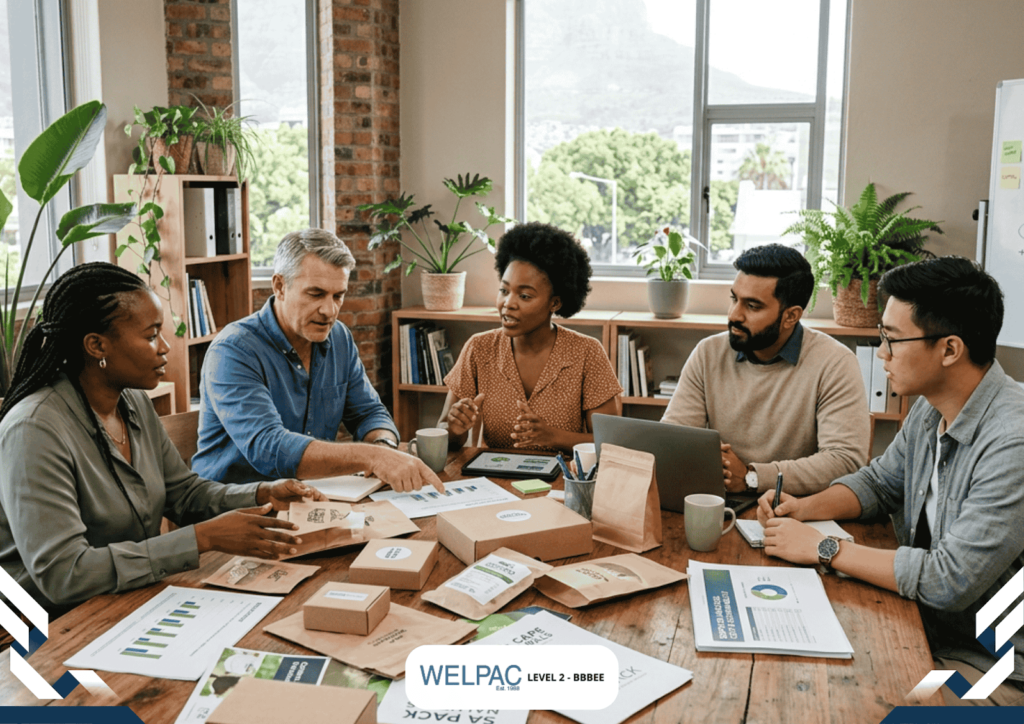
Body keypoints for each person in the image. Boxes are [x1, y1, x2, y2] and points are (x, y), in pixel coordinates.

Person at [758, 257, 1024, 706]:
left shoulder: (1011, 442)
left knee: (855, 707)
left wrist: (825, 548)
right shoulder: (931, 405)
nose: (881, 353)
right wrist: (804, 507)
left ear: (950, 349)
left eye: (892, 339)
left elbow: (948, 580)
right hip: (927, 628)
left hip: (997, 667)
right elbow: (881, 483)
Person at [0, 263, 322, 614]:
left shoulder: (131, 400)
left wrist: (263, 493)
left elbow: (183, 494)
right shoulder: (34, 429)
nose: (165, 347)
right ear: (96, 346)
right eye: (152, 335)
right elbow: (64, 575)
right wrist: (203, 538)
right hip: (43, 628)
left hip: (129, 598)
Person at [192, 229, 441, 492]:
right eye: (316, 294)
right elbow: (269, 448)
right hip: (235, 510)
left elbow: (369, 413)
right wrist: (373, 457)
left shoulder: (339, 337)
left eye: (338, 296)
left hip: (312, 498)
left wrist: (383, 447)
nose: (329, 311)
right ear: (279, 286)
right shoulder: (233, 350)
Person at [661, 243, 869, 495]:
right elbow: (673, 438)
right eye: (734, 299)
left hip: (796, 509)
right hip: (721, 498)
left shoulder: (834, 363)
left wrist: (752, 476)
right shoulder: (708, 353)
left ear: (791, 316)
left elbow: (844, 461)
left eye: (752, 306)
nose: (734, 315)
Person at [440, 222, 622, 452]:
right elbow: (444, 431)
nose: (508, 304)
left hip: (564, 481)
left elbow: (609, 442)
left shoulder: (587, 352)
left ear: (554, 302)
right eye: (504, 291)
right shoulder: (479, 348)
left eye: (525, 296)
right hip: (496, 478)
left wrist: (553, 437)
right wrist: (455, 428)